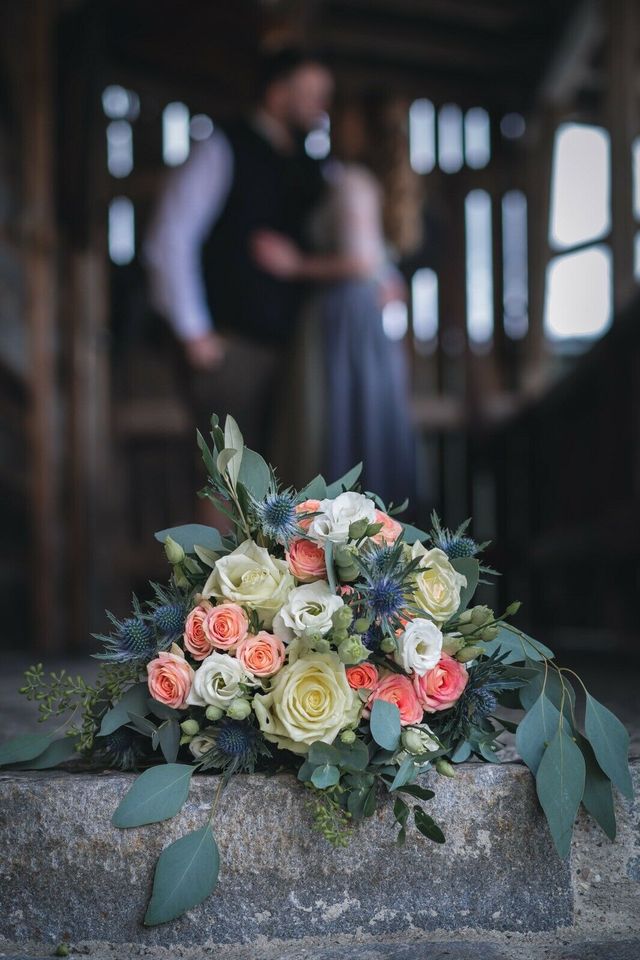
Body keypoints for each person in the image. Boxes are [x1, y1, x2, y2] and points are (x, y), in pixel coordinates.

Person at [143, 49, 333, 453]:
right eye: (311, 92)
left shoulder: (310, 164)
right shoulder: (222, 147)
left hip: (298, 348)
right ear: (279, 93)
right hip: (234, 347)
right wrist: (195, 333)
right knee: (228, 483)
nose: (321, 106)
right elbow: (171, 237)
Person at [253, 103, 418, 507]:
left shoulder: (352, 182)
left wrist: (295, 265)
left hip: (342, 319)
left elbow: (361, 260)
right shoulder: (368, 184)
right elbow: (379, 262)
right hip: (360, 318)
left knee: (335, 430)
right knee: (359, 427)